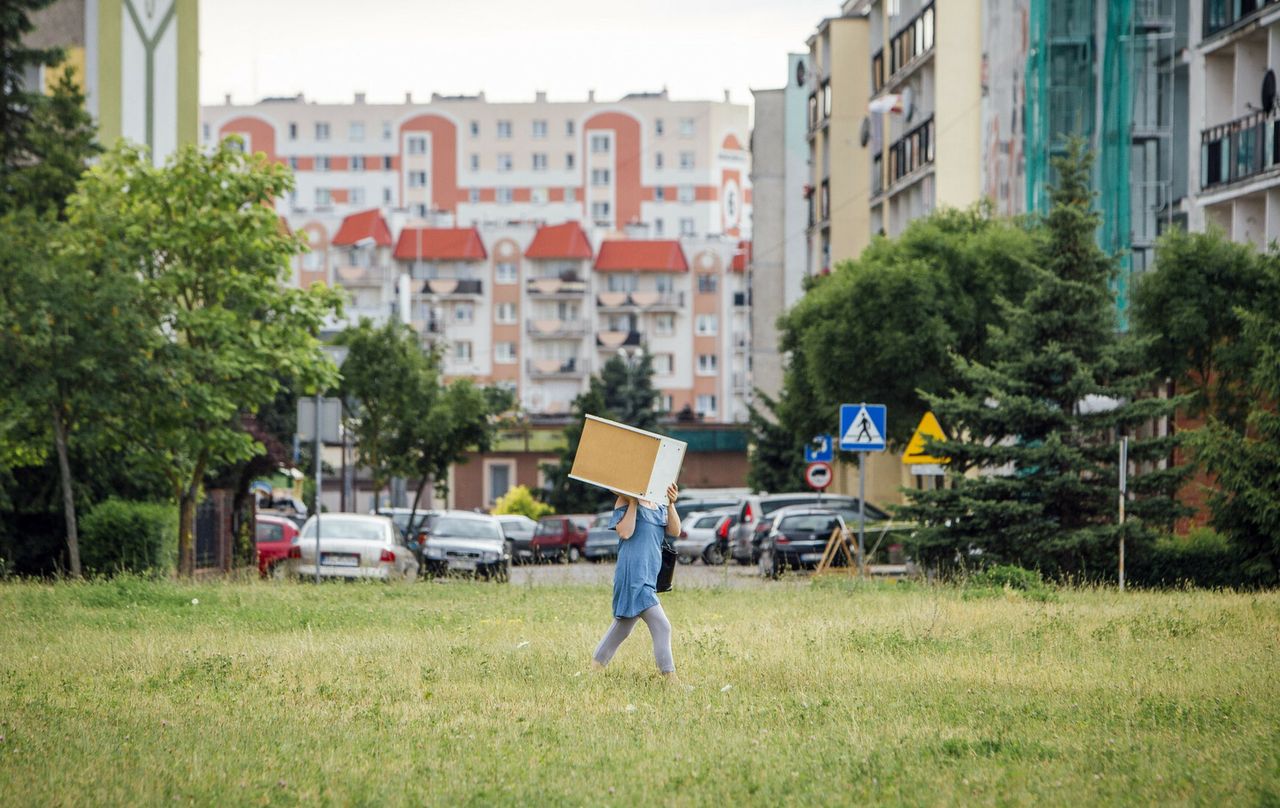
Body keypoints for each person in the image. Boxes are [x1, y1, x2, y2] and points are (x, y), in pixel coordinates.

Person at [590, 481, 682, 680]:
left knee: (622, 629)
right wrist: (633, 501)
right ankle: (671, 681)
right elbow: (625, 532)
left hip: (649, 574)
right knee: (663, 626)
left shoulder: (659, 504)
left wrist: (671, 503)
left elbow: (675, 531)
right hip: (633, 575)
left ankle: (593, 670)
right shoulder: (623, 500)